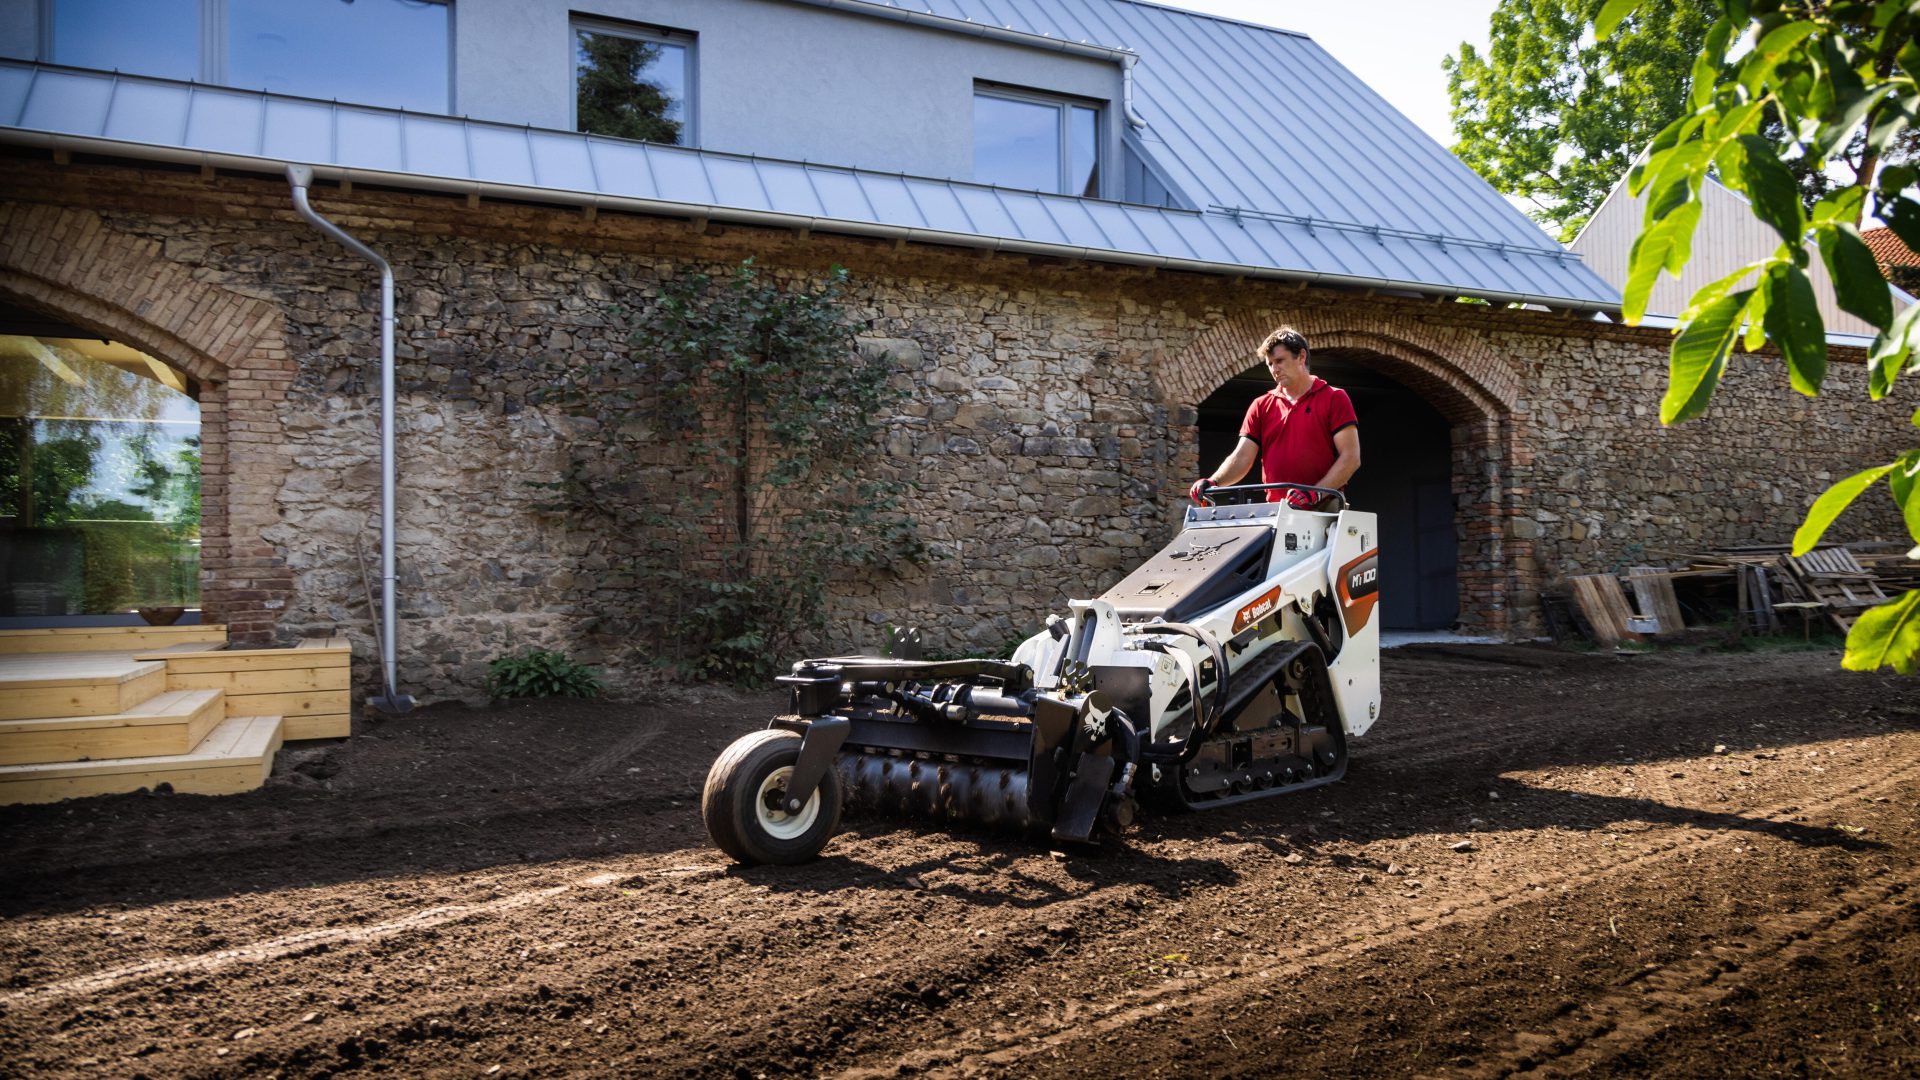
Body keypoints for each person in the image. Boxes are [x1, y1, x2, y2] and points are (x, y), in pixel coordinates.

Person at [1189, 326, 1360, 509]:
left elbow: (1351, 458)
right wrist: (1213, 482)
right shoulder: (1261, 405)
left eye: (1279, 361)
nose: (1274, 369)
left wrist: (1315, 492)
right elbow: (1242, 457)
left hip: (1324, 506)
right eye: (1270, 364)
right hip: (1277, 510)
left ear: (1301, 357)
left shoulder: (1334, 397)